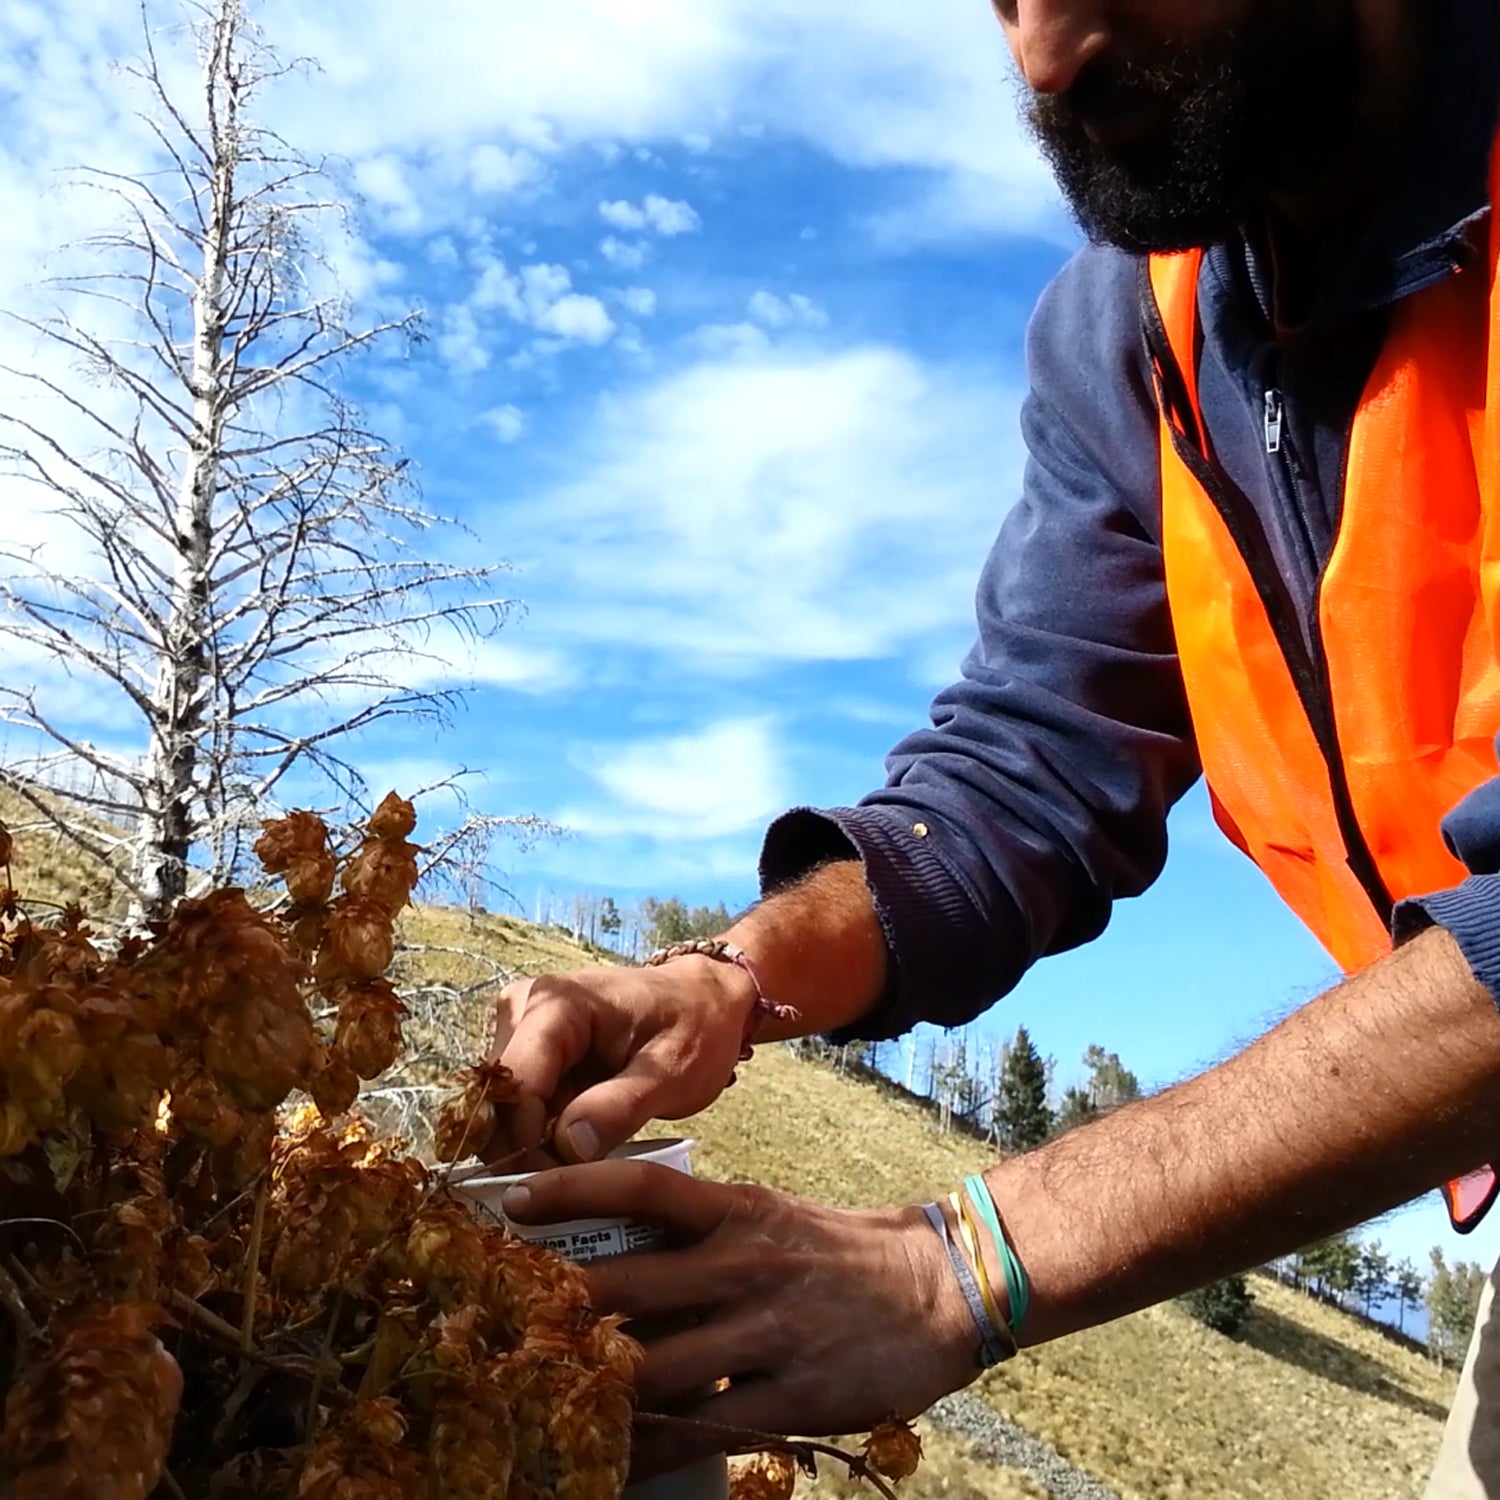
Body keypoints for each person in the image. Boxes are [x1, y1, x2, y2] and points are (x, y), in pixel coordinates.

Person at [489, 1, 1500, 1492]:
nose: (1044, 56)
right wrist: (730, 972)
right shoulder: (1134, 330)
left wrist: (958, 1268)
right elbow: (1038, 749)